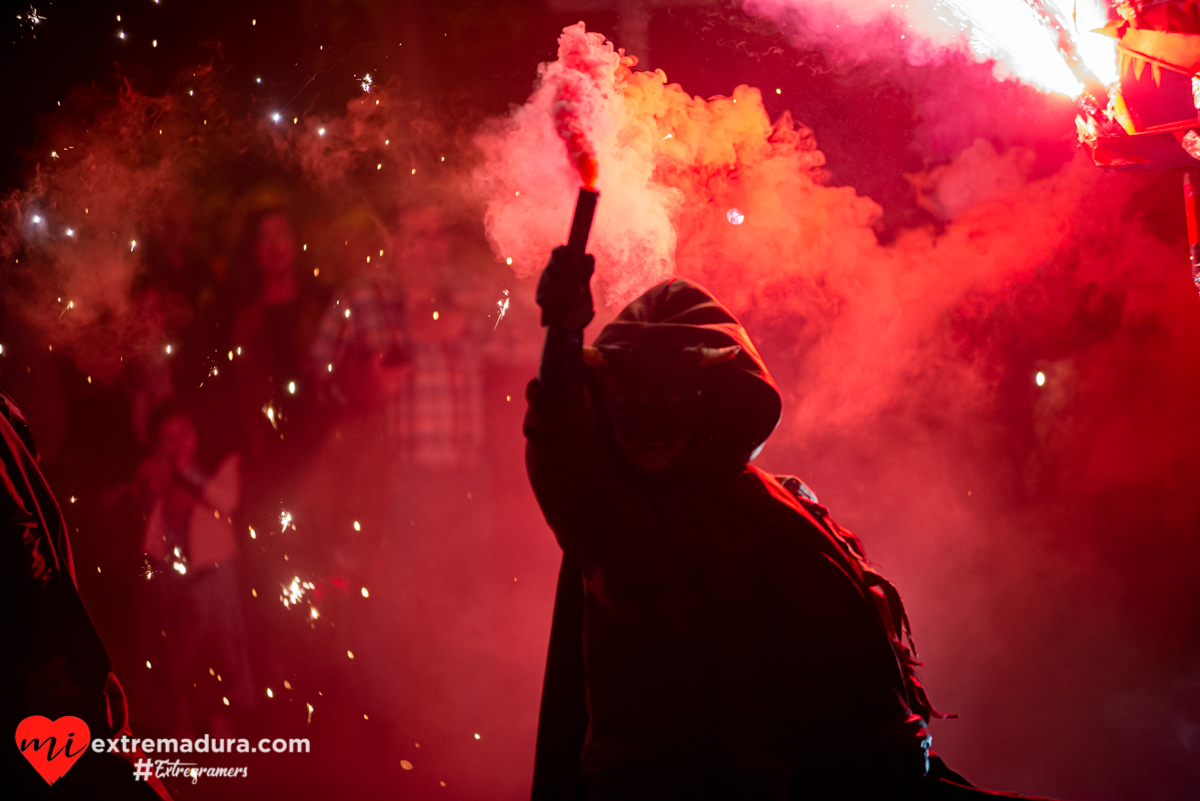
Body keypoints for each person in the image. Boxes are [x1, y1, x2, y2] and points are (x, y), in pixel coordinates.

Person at [525, 247, 1055, 800]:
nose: (646, 425)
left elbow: (838, 675)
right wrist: (564, 333)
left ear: (707, 400)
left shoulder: (781, 505)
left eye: (669, 400)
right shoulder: (613, 519)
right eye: (627, 401)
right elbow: (556, 437)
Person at [1, 388, 170, 799]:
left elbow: (17, 538)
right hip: (36, 656)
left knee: (99, 768)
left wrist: (45, 668)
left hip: (35, 659)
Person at [135, 400, 254, 737]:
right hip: (170, 566)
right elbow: (144, 511)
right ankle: (181, 713)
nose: (178, 445)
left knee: (221, 641)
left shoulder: (220, 462)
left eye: (184, 434)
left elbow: (226, 502)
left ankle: (222, 712)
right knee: (177, 645)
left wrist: (188, 472)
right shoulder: (155, 469)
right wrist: (152, 482)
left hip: (214, 566)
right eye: (168, 438)